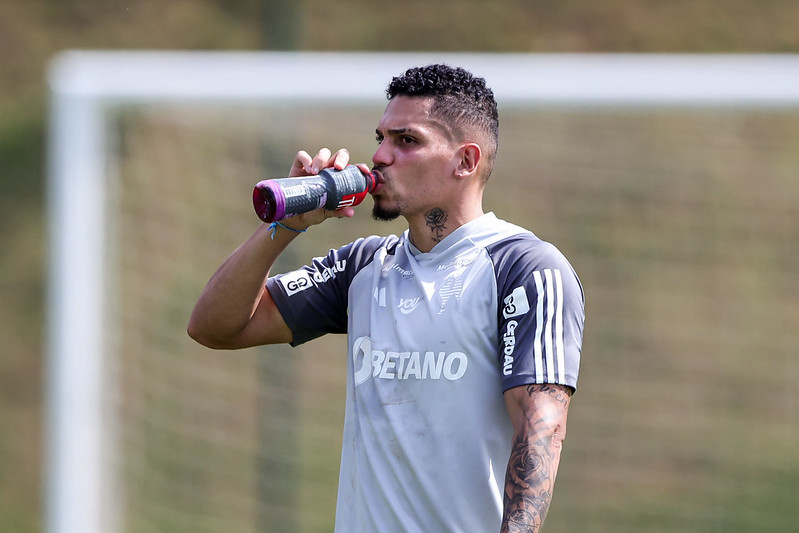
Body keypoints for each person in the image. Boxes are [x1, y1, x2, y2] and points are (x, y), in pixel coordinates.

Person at [188, 63, 585, 533]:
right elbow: (214, 326)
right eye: (380, 137)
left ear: (466, 161)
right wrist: (287, 225)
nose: (379, 155)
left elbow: (542, 424)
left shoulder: (524, 267)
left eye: (406, 141)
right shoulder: (362, 266)